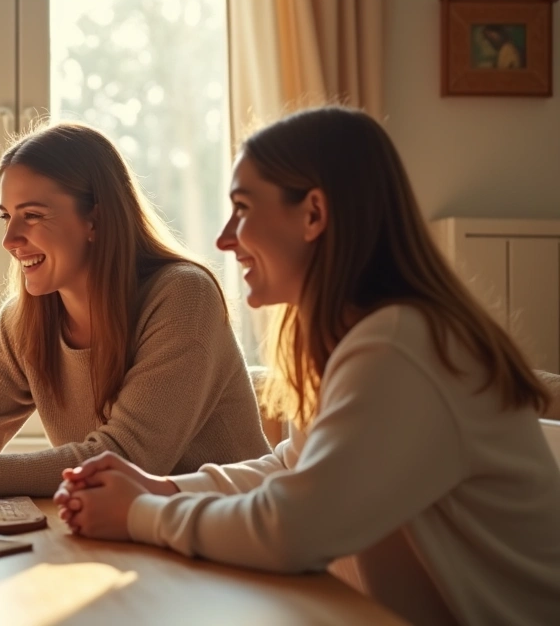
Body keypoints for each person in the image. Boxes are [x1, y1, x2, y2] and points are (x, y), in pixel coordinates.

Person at [55, 106, 560, 624]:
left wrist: (139, 514)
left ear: (314, 214)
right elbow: (292, 468)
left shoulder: (402, 345)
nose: (225, 238)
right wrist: (161, 487)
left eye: (242, 208)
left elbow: (293, 530)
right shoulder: (366, 338)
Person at [0, 121, 271, 497]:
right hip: (129, 527)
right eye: (7, 216)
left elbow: (127, 457)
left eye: (32, 216)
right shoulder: (25, 319)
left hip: (231, 529)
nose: (10, 239)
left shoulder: (184, 296)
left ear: (95, 219)